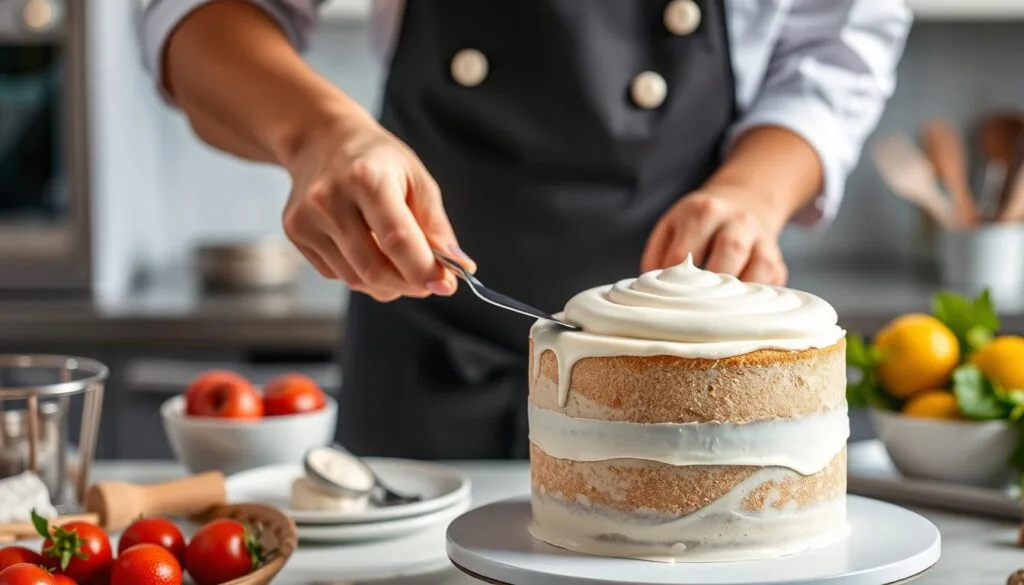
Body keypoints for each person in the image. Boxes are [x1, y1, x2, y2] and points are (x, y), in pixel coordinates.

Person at [140, 0, 911, 459]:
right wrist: (319, 135)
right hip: (427, 352)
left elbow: (840, 42)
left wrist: (752, 193)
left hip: (684, 371)